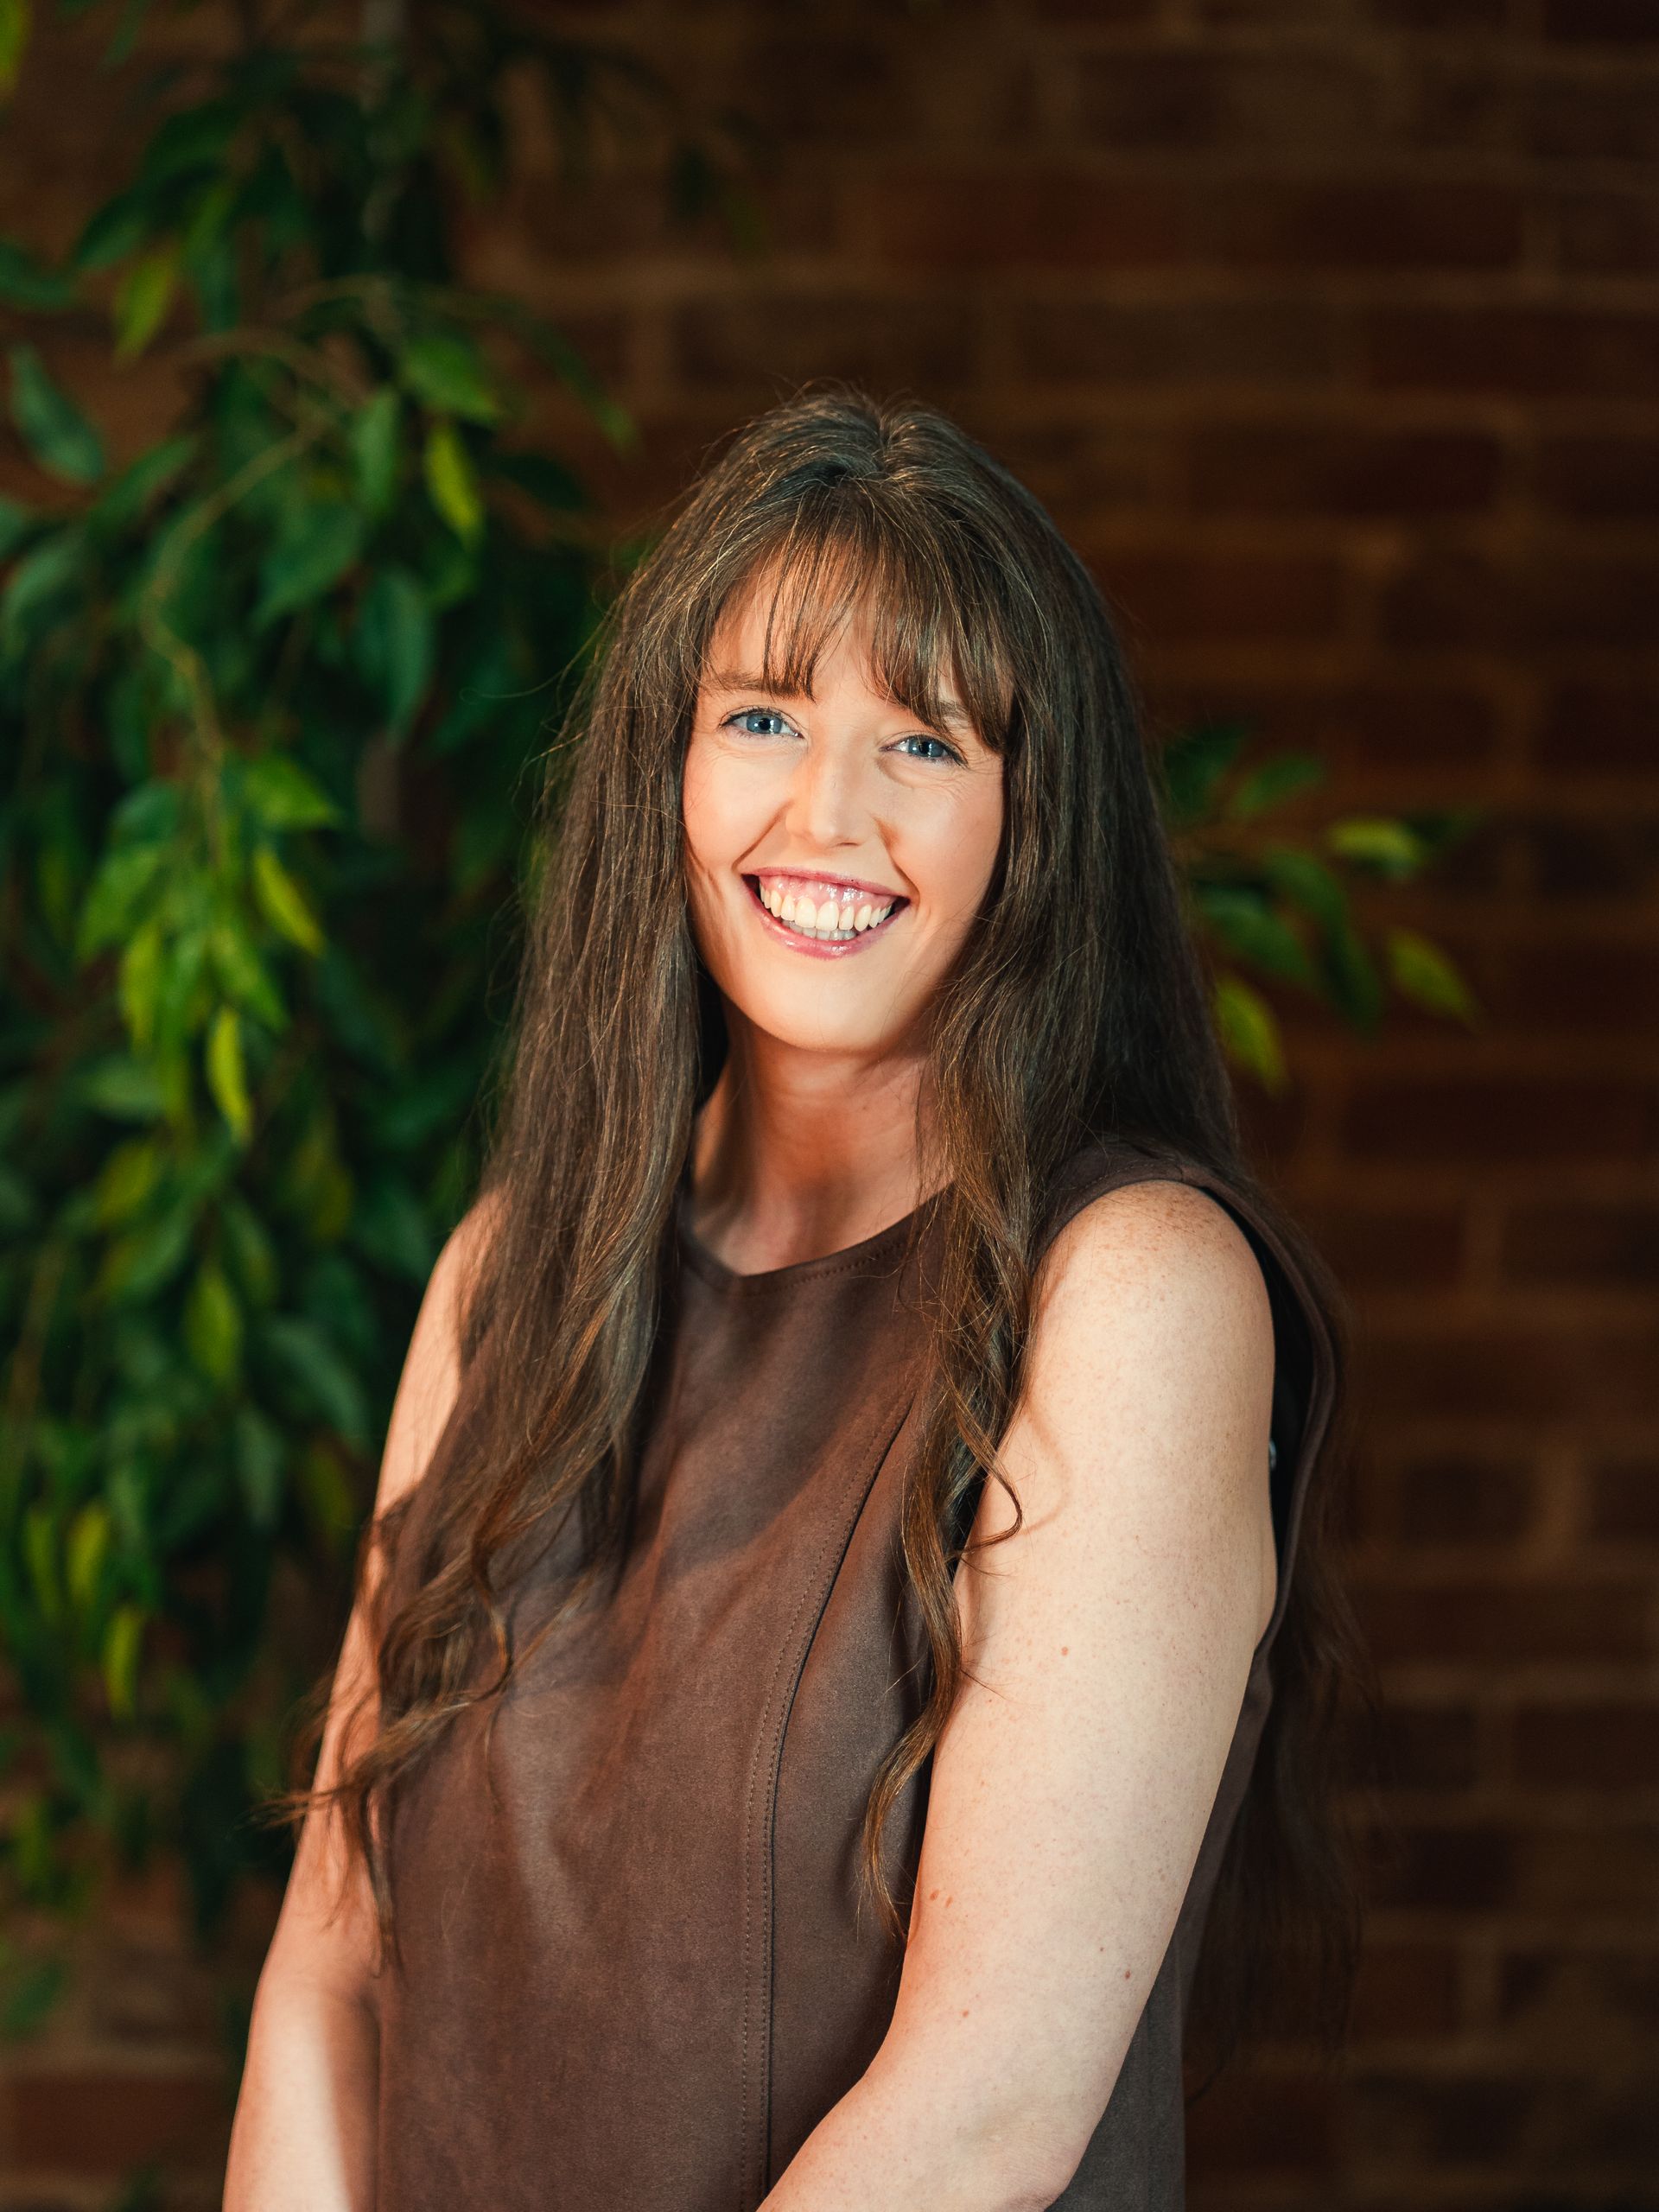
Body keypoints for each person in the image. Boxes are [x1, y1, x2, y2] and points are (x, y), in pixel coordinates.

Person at [224, 386, 1365, 2211]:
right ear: (664, 771)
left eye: (922, 739)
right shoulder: (504, 1279)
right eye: (760, 715)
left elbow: (983, 2109)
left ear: (1035, 818)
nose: (826, 812)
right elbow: (326, 1985)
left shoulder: (1134, 1293)